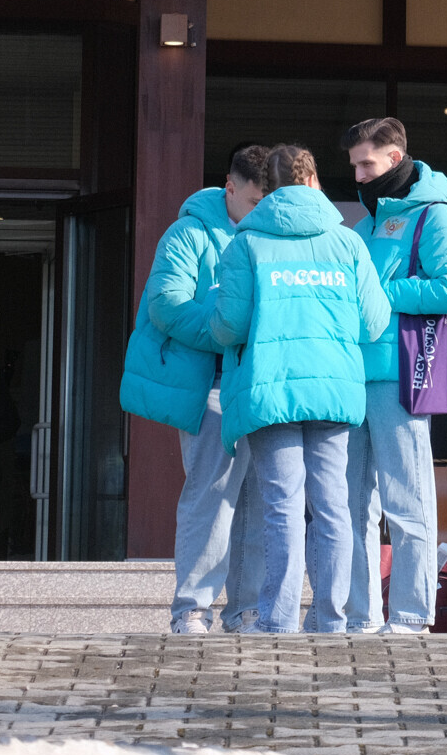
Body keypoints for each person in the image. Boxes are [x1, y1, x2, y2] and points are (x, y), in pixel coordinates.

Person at [211, 145, 390, 634]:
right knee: (333, 506)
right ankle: (331, 619)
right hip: (333, 390)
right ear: (314, 182)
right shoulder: (347, 242)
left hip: (271, 391)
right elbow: (374, 322)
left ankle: (278, 619)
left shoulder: (246, 244)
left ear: (268, 189)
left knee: (282, 506)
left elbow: (229, 325)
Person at [119, 143, 269, 634]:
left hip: (258, 383)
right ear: (229, 188)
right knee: (212, 493)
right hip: (213, 384)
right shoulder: (188, 232)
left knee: (258, 497)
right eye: (253, 202)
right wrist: (228, 330)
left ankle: (247, 609)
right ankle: (192, 609)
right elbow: (166, 304)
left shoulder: (270, 232)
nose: (260, 211)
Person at [341, 116, 447, 634]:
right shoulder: (363, 225)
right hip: (352, 377)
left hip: (400, 376)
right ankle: (361, 615)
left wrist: (379, 294)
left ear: (394, 159)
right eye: (353, 165)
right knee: (351, 507)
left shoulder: (434, 216)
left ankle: (413, 617)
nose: (358, 175)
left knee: (406, 502)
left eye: (366, 164)